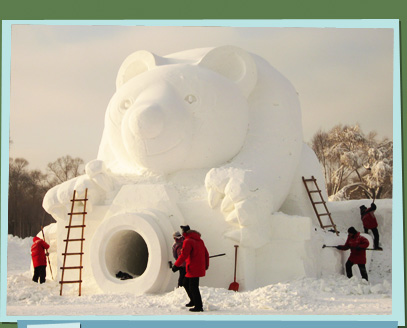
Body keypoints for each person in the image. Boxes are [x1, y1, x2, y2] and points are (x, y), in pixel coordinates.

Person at [172, 225, 209, 312]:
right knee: (185, 283)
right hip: (198, 266)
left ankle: (198, 306)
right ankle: (193, 301)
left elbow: (183, 255)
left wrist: (176, 265)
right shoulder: (200, 240)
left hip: (192, 267)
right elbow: (206, 254)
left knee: (193, 287)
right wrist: (206, 265)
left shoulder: (188, 241)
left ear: (184, 233)